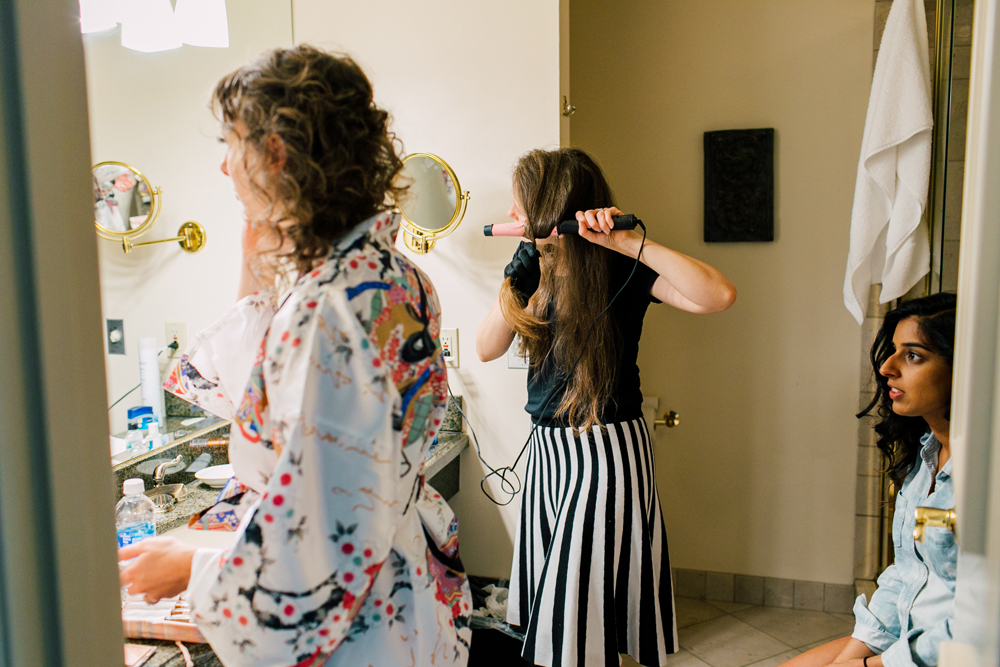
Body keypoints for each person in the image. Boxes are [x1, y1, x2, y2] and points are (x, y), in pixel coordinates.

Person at [117, 46, 472, 667]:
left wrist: (193, 569)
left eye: (232, 144)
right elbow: (249, 391)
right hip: (404, 598)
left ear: (274, 154)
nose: (224, 168)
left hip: (356, 631)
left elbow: (320, 546)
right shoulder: (392, 276)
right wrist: (257, 253)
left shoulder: (328, 310)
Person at [476, 148, 737, 667]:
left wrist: (626, 241)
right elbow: (486, 347)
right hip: (548, 455)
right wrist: (517, 275)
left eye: (518, 207)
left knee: (575, 616)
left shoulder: (621, 267)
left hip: (606, 451)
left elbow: (718, 295)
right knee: (565, 613)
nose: (511, 219)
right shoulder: (536, 272)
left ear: (550, 207)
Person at [780, 292, 958, 667]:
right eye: (892, 351)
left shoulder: (983, 479)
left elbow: (976, 626)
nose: (886, 368)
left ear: (963, 367)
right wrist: (851, 657)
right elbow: (905, 576)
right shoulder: (926, 457)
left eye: (913, 356)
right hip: (905, 641)